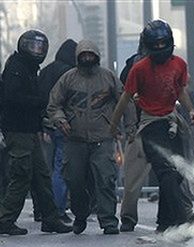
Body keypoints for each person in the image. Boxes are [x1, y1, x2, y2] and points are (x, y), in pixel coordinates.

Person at [110, 19, 194, 232]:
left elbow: (180, 90)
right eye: (155, 45)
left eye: (163, 44)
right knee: (162, 171)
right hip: (149, 124)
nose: (160, 49)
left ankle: (165, 220)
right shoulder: (139, 68)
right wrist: (114, 125)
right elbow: (125, 97)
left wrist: (191, 110)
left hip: (171, 121)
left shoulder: (179, 64)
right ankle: (182, 217)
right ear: (148, 46)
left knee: (176, 172)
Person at [48, 40, 132, 235]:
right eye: (83, 55)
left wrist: (129, 126)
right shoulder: (68, 79)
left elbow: (125, 102)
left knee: (105, 179)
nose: (87, 58)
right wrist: (60, 120)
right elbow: (54, 104)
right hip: (74, 139)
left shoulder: (108, 78)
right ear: (78, 57)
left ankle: (108, 221)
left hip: (103, 137)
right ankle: (80, 214)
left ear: (97, 56)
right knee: (74, 181)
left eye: (90, 55)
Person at [0, 30, 72, 235]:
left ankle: (50, 218)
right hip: (18, 129)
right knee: (21, 174)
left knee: (41, 175)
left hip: (29, 129)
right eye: (32, 46)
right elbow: (12, 98)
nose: (36, 50)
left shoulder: (29, 68)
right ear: (23, 46)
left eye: (40, 47)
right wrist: (39, 103)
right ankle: (5, 219)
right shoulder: (17, 67)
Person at [38, 38, 77, 223]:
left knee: (46, 168)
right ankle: (59, 209)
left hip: (46, 125)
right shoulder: (69, 73)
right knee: (61, 167)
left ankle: (43, 209)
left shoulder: (46, 71)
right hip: (63, 125)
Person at [117, 36, 152, 233]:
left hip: (155, 122)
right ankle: (128, 217)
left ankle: (179, 213)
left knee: (172, 173)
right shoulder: (135, 65)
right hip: (141, 125)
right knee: (133, 176)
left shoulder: (170, 64)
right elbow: (125, 94)